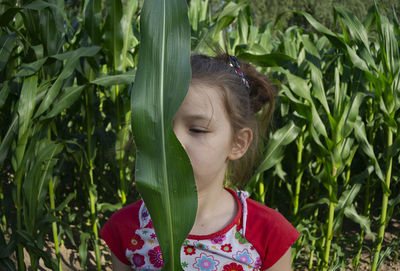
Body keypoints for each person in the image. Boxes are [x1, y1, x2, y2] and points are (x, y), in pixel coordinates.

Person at [100, 54, 300, 271]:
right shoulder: (127, 230)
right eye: (160, 127)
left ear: (237, 143)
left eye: (197, 130)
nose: (172, 143)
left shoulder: (268, 234)